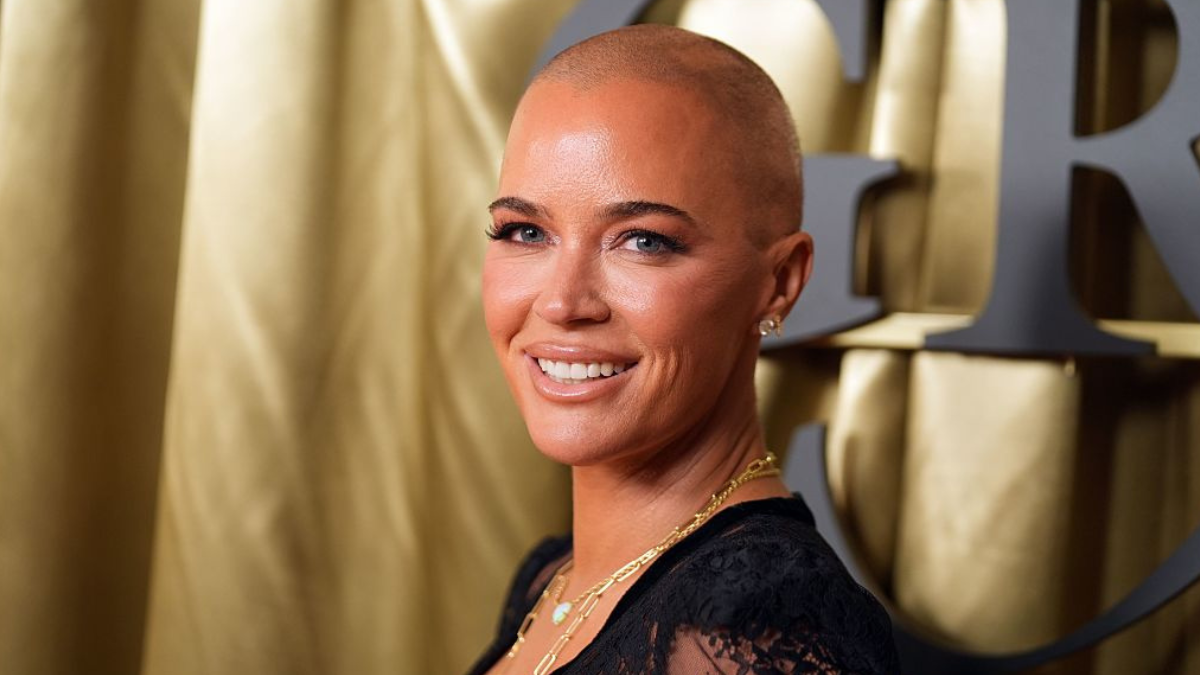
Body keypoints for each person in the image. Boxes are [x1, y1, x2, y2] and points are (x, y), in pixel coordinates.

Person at [468, 24, 899, 675]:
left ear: (779, 283)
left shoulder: (752, 632)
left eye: (643, 240)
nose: (561, 302)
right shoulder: (552, 579)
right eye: (526, 231)